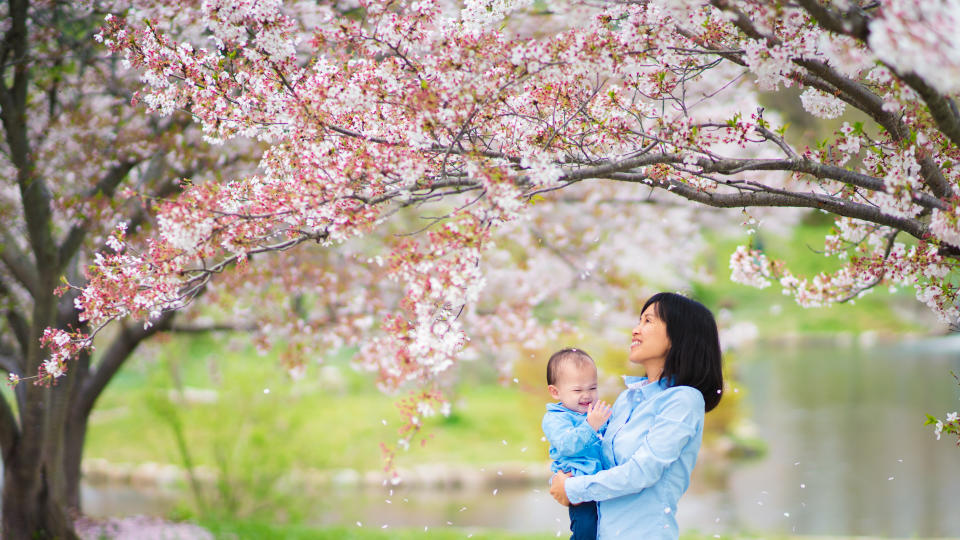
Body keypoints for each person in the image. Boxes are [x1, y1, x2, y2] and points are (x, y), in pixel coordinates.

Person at [549, 292, 724, 539]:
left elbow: (643, 472)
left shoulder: (683, 400)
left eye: (648, 321)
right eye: (639, 320)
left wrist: (574, 488)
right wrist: (565, 474)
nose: (635, 330)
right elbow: (602, 462)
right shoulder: (627, 399)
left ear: (678, 336)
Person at [542, 348, 613, 540]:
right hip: (578, 484)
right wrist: (591, 426)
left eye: (592, 388)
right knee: (586, 530)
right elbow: (566, 444)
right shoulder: (555, 419)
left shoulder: (595, 413)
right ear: (555, 392)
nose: (587, 395)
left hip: (602, 483)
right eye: (577, 390)